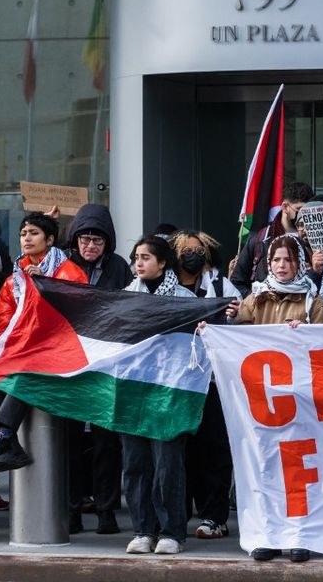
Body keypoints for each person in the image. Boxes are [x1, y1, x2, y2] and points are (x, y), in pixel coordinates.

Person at [226, 234, 323, 562]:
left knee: (301, 470)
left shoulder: (314, 304)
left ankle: (300, 534)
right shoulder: (254, 301)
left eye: (288, 260)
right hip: (262, 403)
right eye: (276, 260)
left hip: (301, 404)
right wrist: (225, 322)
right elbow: (235, 341)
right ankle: (269, 535)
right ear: (267, 264)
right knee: (265, 468)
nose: (282, 266)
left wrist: (307, 333)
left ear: (299, 263)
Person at [0, 212, 87, 474]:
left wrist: (45, 285)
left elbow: (74, 318)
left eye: (34, 233)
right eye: (23, 233)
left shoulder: (70, 272)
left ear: (50, 240)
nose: (26, 238)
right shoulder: (13, 278)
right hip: (29, 352)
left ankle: (4, 439)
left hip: (64, 353)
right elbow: (4, 326)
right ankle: (8, 442)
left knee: (25, 373)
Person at [122, 235, 195, 555]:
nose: (139, 263)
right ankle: (142, 530)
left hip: (169, 394)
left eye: (146, 257)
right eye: (136, 257)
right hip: (133, 392)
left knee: (168, 465)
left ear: (163, 262)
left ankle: (171, 532)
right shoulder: (123, 298)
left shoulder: (184, 298)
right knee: (135, 464)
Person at [64, 203, 133, 535]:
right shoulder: (60, 266)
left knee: (107, 442)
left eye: (97, 241)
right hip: (72, 364)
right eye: (85, 239)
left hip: (108, 365)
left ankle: (106, 510)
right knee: (71, 441)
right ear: (74, 240)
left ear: (108, 243)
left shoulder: (120, 268)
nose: (90, 246)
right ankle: (72, 509)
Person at [170, 230, 240, 540]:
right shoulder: (165, 288)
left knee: (213, 450)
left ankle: (215, 517)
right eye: (186, 250)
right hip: (176, 381)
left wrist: (237, 315)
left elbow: (243, 324)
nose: (192, 255)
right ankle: (177, 515)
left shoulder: (222, 287)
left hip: (211, 381)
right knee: (180, 451)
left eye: (198, 250)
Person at [230, 181, 314, 296]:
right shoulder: (260, 238)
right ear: (285, 207)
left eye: (308, 211)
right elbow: (237, 282)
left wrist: (314, 272)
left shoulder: (315, 239)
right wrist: (259, 301)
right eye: (300, 210)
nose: (304, 216)